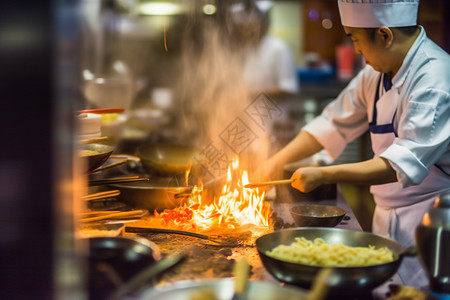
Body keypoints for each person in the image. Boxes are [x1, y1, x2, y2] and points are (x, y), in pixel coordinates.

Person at [262, 0, 450, 289]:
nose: (358, 51)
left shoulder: (435, 79)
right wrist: (276, 162)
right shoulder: (375, 73)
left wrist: (325, 174)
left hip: (431, 227)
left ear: (385, 36)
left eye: (356, 39)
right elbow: (332, 122)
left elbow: (399, 164)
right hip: (385, 218)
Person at [230, 1, 299, 99]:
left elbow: (288, 90)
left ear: (263, 24)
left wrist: (250, 95)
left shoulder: (278, 48)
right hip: (246, 113)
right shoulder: (247, 49)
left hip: (271, 114)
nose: (247, 28)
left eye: (252, 24)